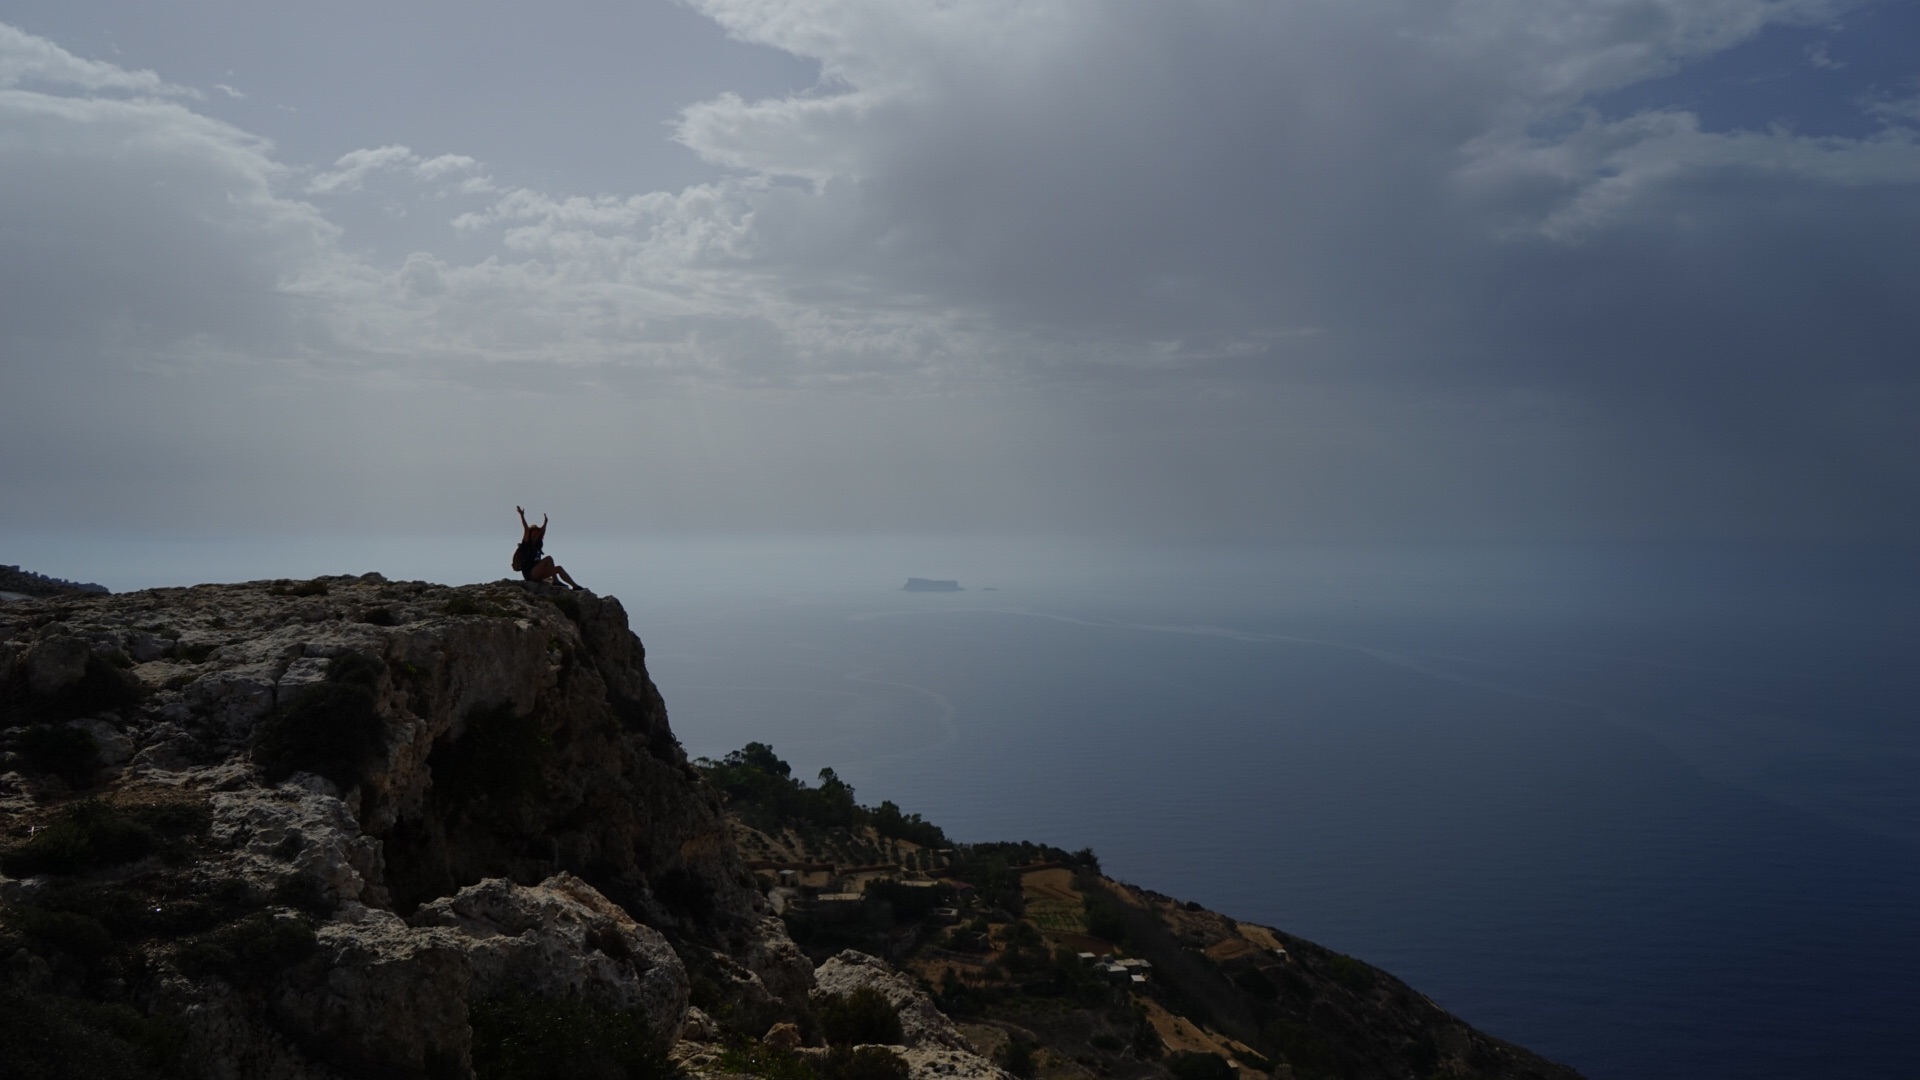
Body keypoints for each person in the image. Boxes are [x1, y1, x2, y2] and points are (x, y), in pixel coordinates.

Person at [512, 505, 584, 590]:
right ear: (530, 533)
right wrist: (522, 516)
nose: (535, 534)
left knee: (558, 568)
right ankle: (555, 581)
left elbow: (542, 532)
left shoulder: (538, 543)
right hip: (530, 574)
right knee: (548, 559)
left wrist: (545, 523)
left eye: (537, 533)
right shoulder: (526, 543)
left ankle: (575, 586)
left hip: (538, 573)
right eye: (533, 532)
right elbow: (526, 529)